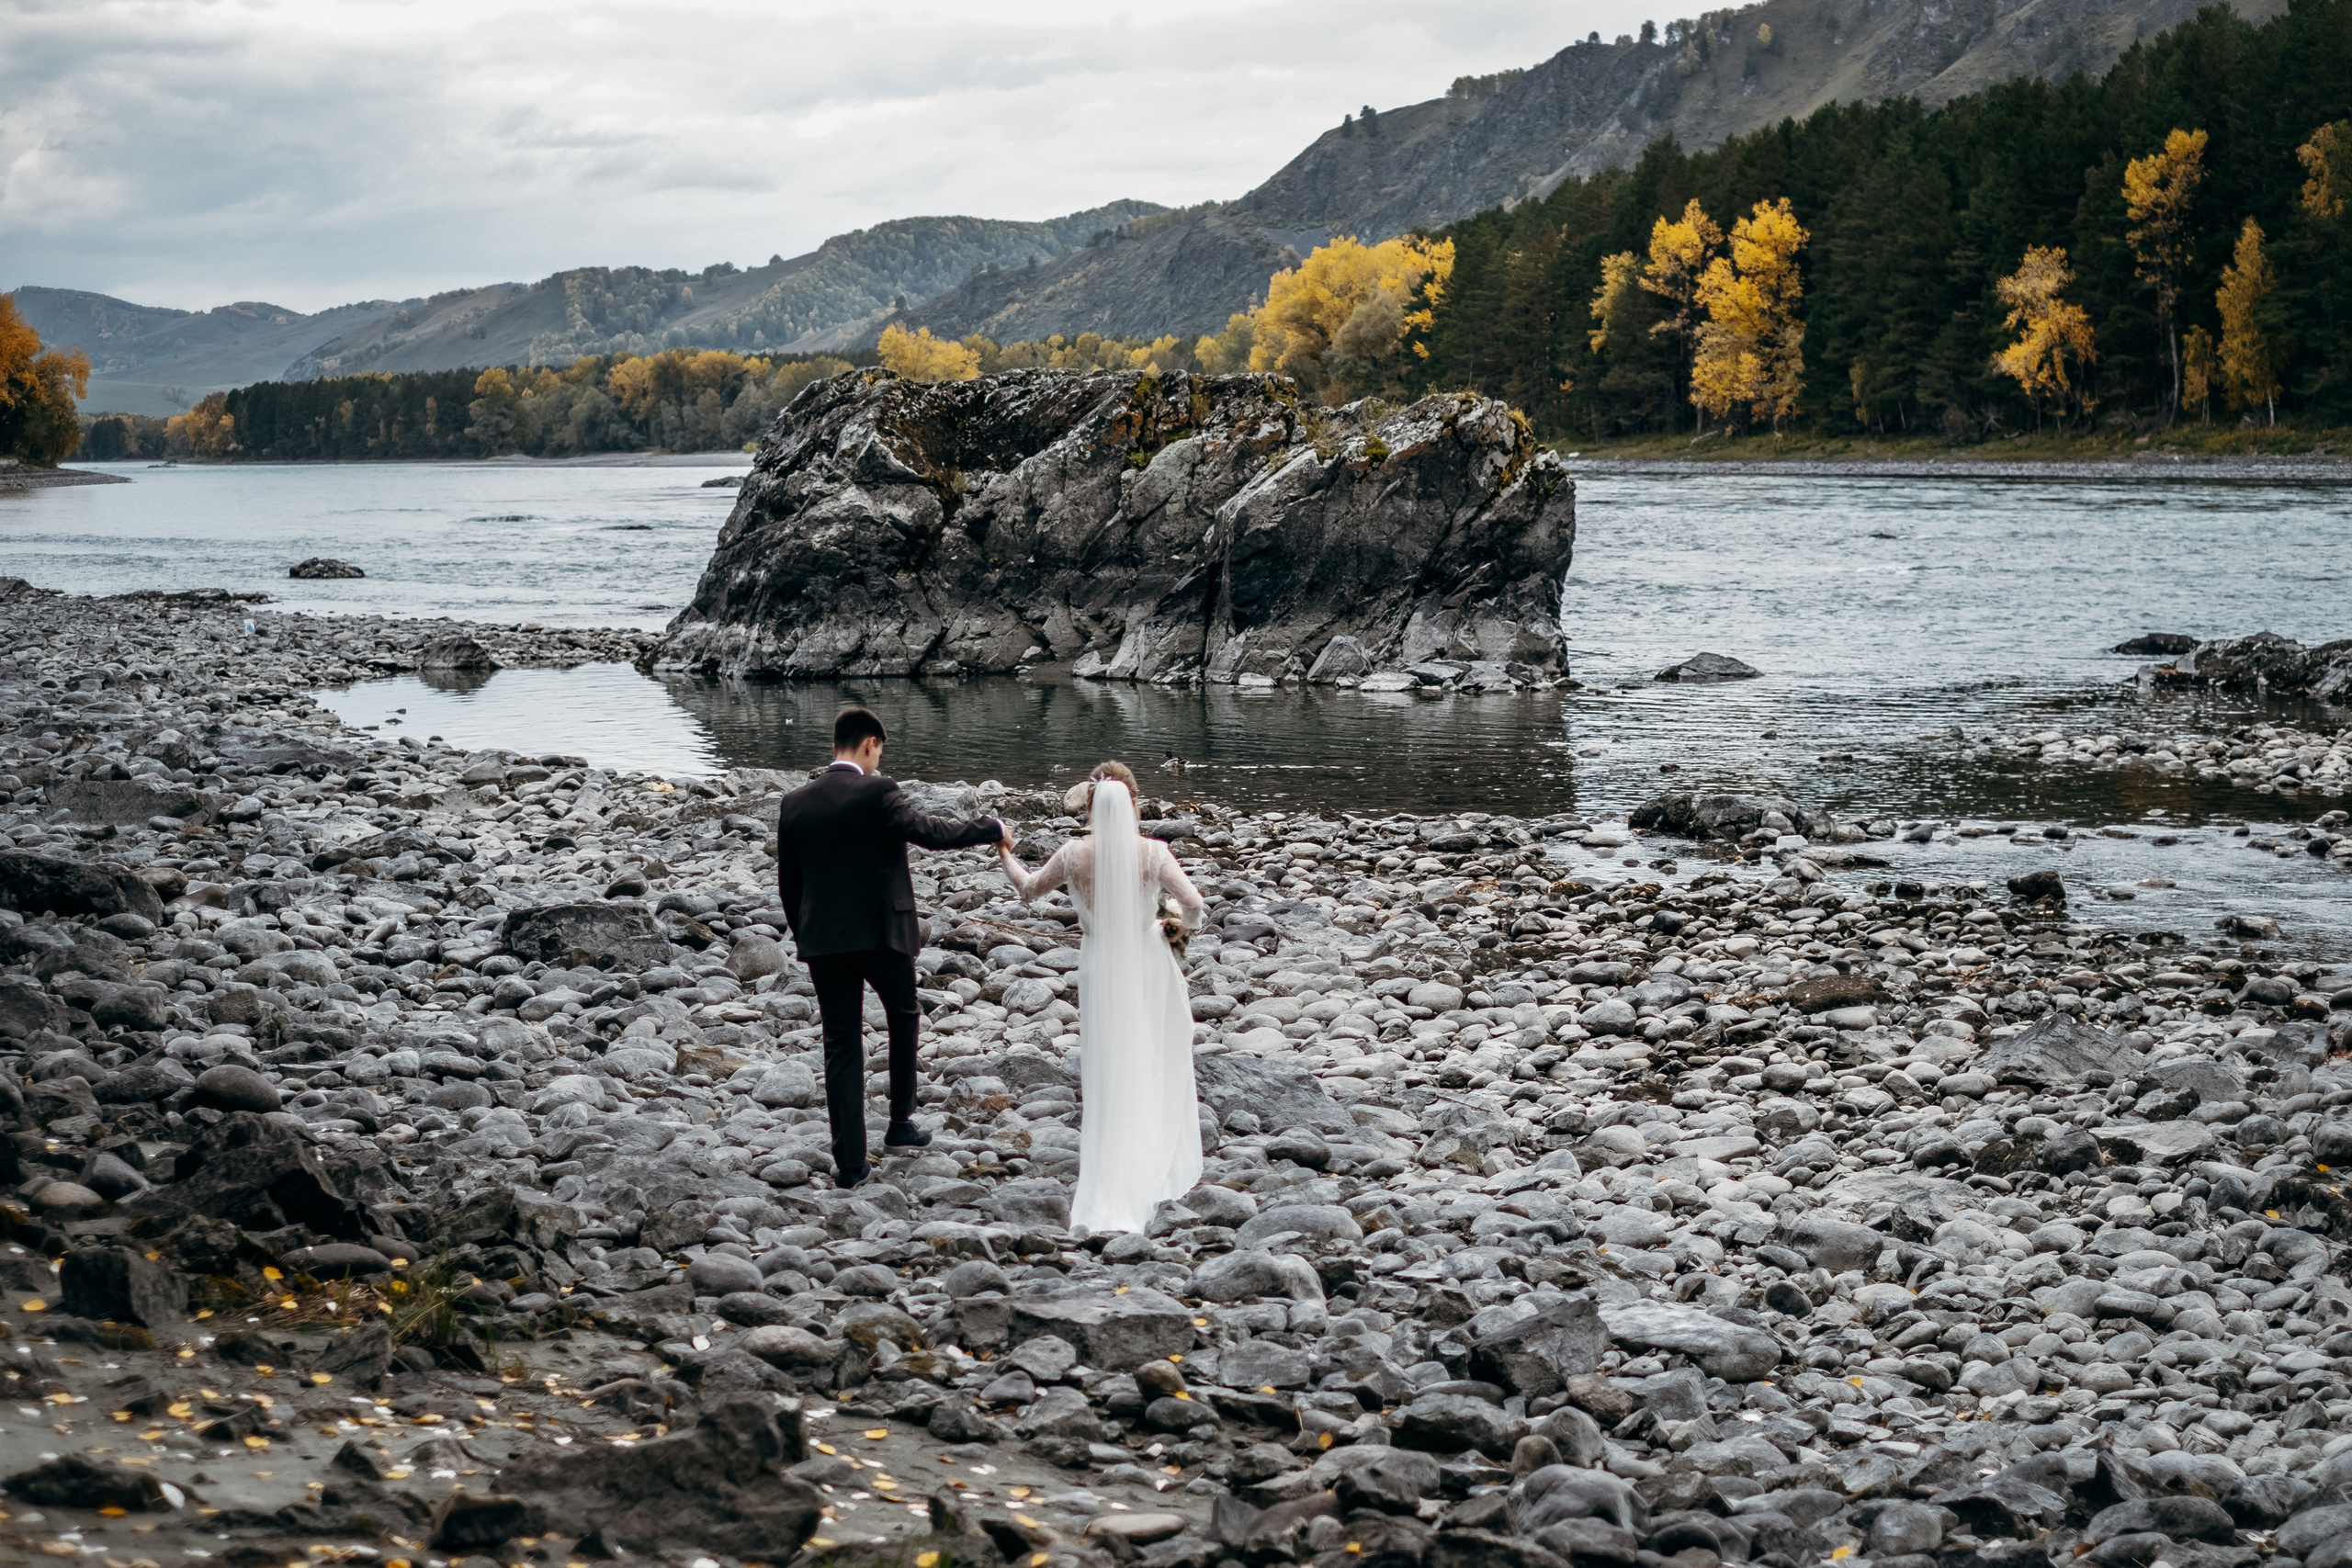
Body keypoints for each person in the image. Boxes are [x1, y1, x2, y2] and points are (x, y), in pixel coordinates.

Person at [775, 706, 1007, 1188]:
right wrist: (991, 829)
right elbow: (929, 833)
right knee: (903, 1016)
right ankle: (900, 1122)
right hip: (884, 935)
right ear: (870, 745)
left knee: (841, 1045)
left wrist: (807, 936)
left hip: (825, 941)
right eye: (880, 751)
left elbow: (789, 884)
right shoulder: (878, 790)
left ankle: (851, 1166)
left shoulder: (795, 802)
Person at [998, 761, 1205, 1234]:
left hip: (1099, 962)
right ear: (1133, 803)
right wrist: (1171, 929)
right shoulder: (1154, 853)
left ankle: (1111, 1159)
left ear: (1090, 806)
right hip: (1147, 958)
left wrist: (1004, 851)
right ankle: (1153, 1152)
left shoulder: (1074, 854)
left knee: (1108, 1058)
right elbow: (1192, 905)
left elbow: (1028, 889)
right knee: (1156, 1050)